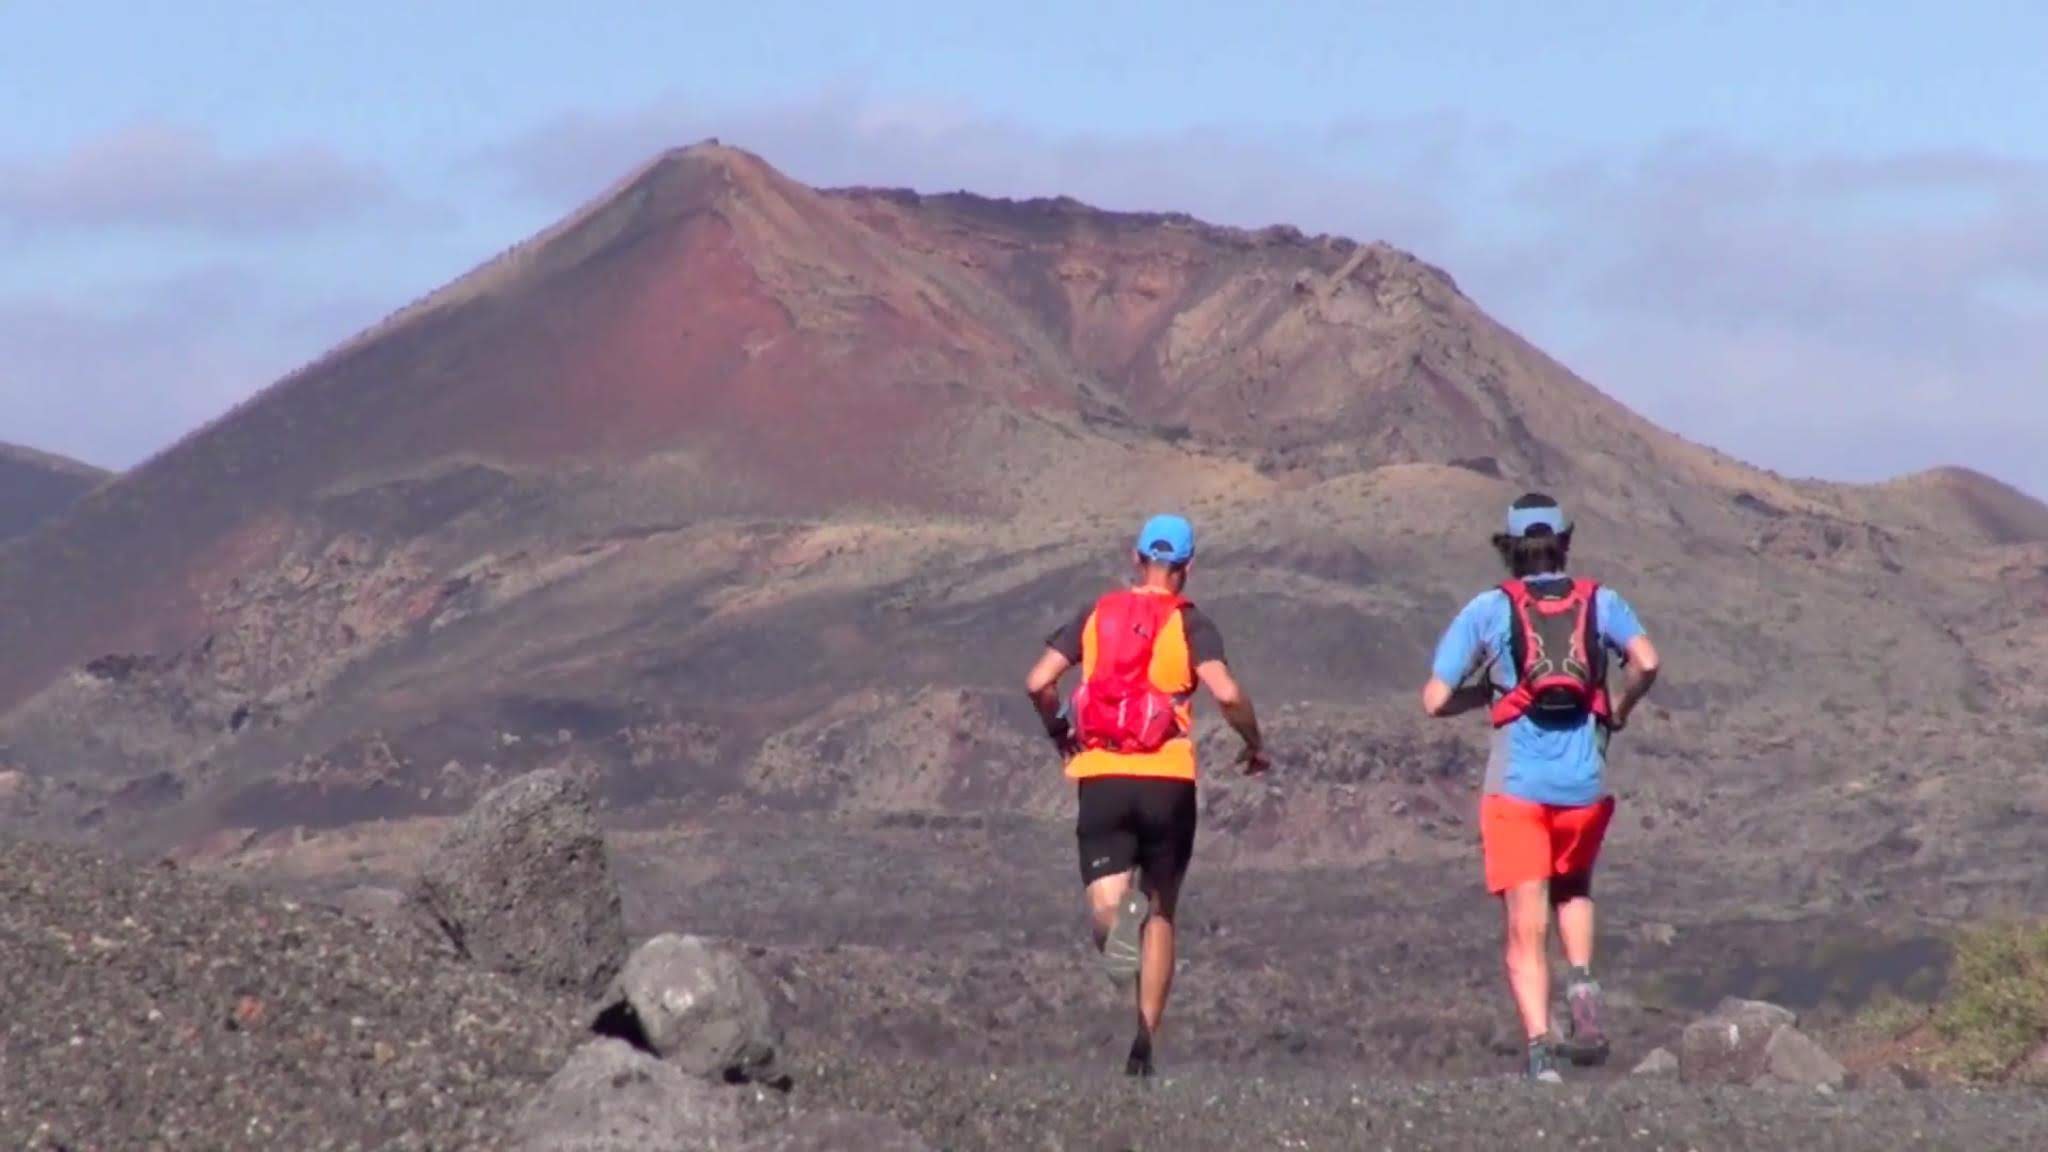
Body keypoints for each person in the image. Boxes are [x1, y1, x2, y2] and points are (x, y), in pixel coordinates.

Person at [1420, 493, 1660, 1083]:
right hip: (1583, 786)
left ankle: (1541, 1053)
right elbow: (1647, 662)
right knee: (1573, 889)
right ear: (1563, 544)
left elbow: (1434, 700)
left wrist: (1493, 694)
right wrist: (1619, 709)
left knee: (1525, 930)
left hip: (1517, 790)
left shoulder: (1487, 609)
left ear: (1508, 549)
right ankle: (1581, 980)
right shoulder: (1600, 601)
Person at [1025, 513, 1269, 1078]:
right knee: (1162, 910)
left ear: (1136, 558)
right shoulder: (1192, 623)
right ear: (1186, 569)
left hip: (1103, 777)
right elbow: (1227, 694)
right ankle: (1145, 1044)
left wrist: (1061, 735)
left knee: (1109, 909)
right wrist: (1253, 741)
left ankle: (1118, 933)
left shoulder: (1096, 613)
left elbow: (1038, 682)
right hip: (1168, 783)